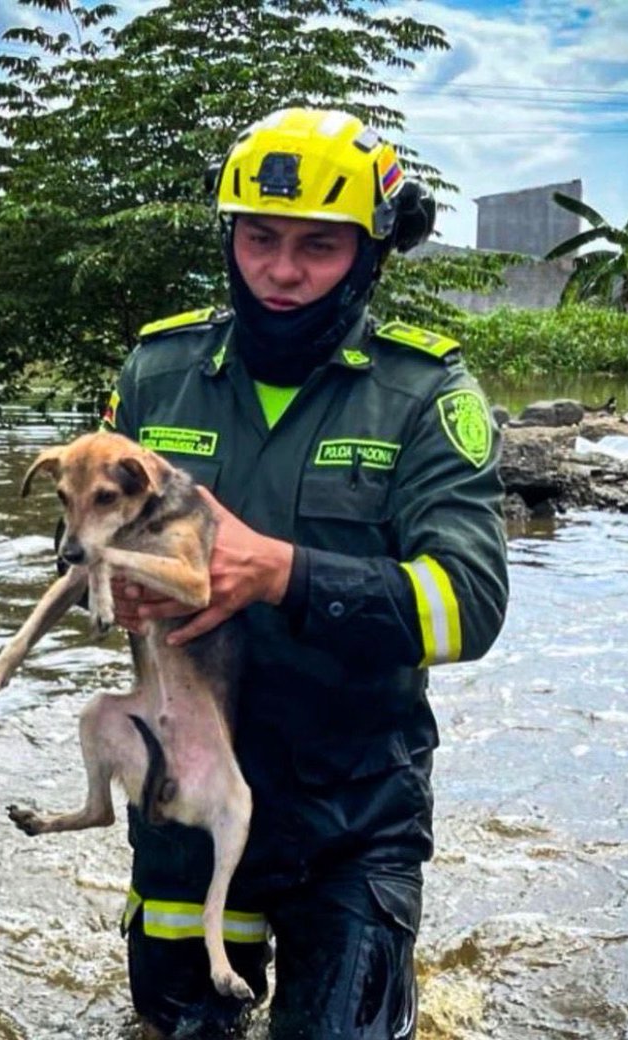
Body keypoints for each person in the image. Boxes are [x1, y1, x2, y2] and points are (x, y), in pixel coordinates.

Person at [104, 107, 508, 1038]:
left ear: (371, 253)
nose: (281, 272)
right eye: (259, 238)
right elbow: (84, 533)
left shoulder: (425, 395)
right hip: (188, 801)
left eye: (318, 246)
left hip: (353, 811)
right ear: (229, 239)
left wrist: (283, 572)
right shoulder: (156, 374)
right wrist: (113, 580)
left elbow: (471, 604)